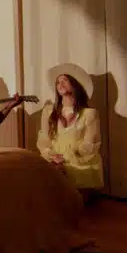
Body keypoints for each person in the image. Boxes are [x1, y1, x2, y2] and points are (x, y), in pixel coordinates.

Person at [37, 63, 104, 204]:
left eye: (65, 80)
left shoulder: (90, 114)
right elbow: (44, 141)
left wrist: (67, 157)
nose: (60, 84)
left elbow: (90, 145)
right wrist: (52, 156)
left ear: (75, 84)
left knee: (73, 201)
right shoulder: (48, 111)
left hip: (79, 163)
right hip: (55, 162)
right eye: (58, 82)